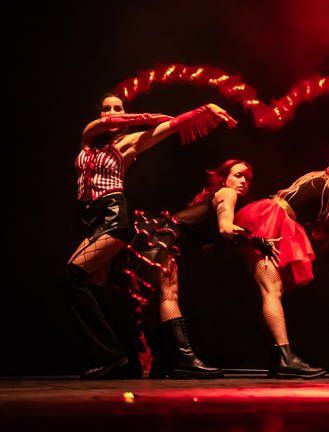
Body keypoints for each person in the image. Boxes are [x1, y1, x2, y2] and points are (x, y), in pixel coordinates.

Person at [66, 93, 238, 379]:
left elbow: (172, 127)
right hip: (87, 220)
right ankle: (123, 360)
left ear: (124, 114)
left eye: (117, 109)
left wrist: (203, 109)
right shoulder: (87, 137)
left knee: (71, 277)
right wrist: (150, 117)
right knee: (93, 289)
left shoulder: (128, 144)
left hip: (112, 216)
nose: (111, 114)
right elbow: (107, 124)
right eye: (106, 108)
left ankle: (115, 357)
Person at [125, 159, 277, 379]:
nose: (244, 181)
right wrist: (257, 239)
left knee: (156, 300)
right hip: (164, 239)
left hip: (158, 235)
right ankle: (184, 360)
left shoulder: (208, 196)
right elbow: (226, 229)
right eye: (238, 175)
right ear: (224, 178)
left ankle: (164, 362)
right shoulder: (227, 193)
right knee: (169, 296)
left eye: (248, 178)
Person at [232, 150, 329, 379]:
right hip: (271, 218)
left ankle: (280, 358)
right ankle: (285, 358)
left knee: (270, 290)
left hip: (267, 215)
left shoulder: (317, 179)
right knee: (271, 290)